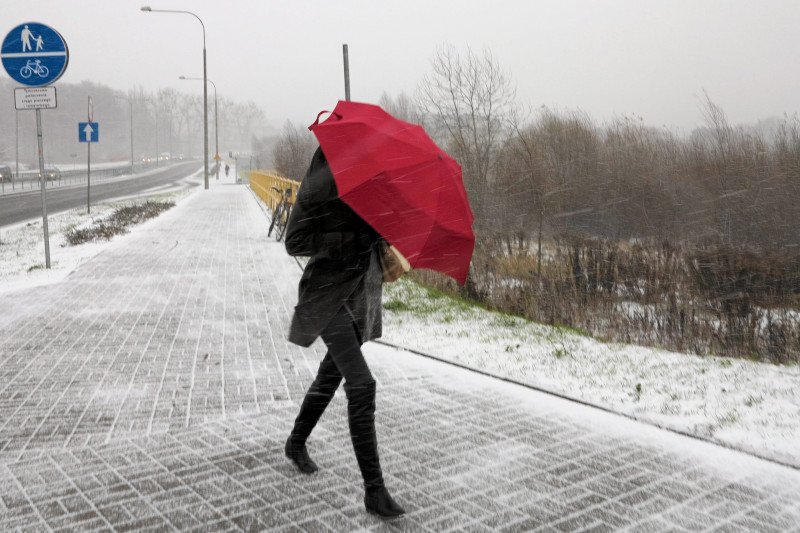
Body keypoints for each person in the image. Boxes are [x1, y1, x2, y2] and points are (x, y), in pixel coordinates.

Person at [283, 147, 406, 518]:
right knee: (362, 384)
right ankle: (374, 491)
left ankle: (295, 442)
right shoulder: (316, 188)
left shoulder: (368, 187)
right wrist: (344, 240)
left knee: (330, 374)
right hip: (327, 298)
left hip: (360, 298)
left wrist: (382, 228)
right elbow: (295, 242)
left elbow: (372, 235)